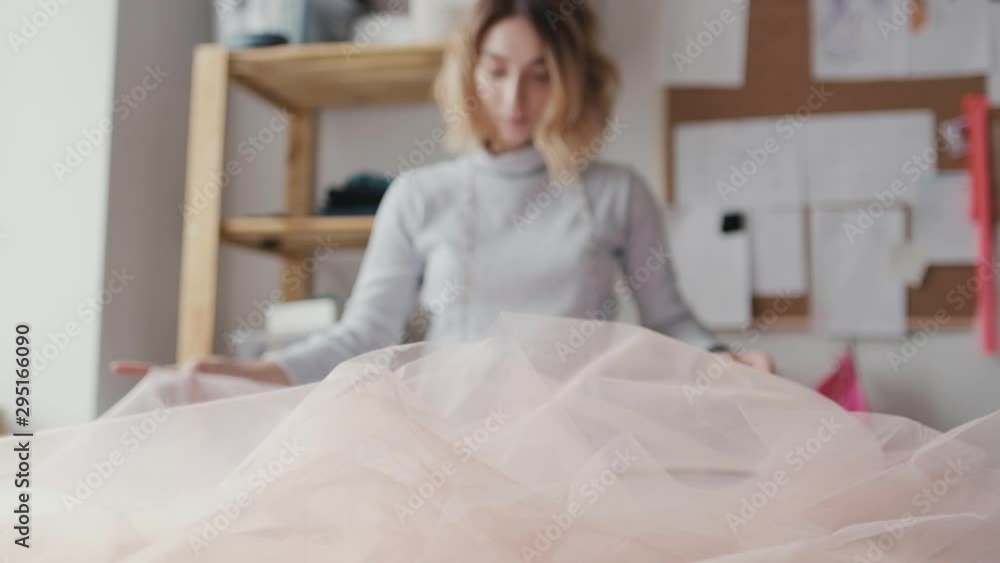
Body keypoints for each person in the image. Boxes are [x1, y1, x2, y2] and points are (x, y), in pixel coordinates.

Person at [113, 0, 774, 386]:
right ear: (471, 74)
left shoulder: (615, 193)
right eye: (499, 71)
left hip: (582, 443)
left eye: (540, 75)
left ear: (572, 82)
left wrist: (728, 360)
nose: (516, 98)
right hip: (448, 438)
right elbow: (361, 336)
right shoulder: (418, 195)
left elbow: (670, 320)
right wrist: (245, 371)